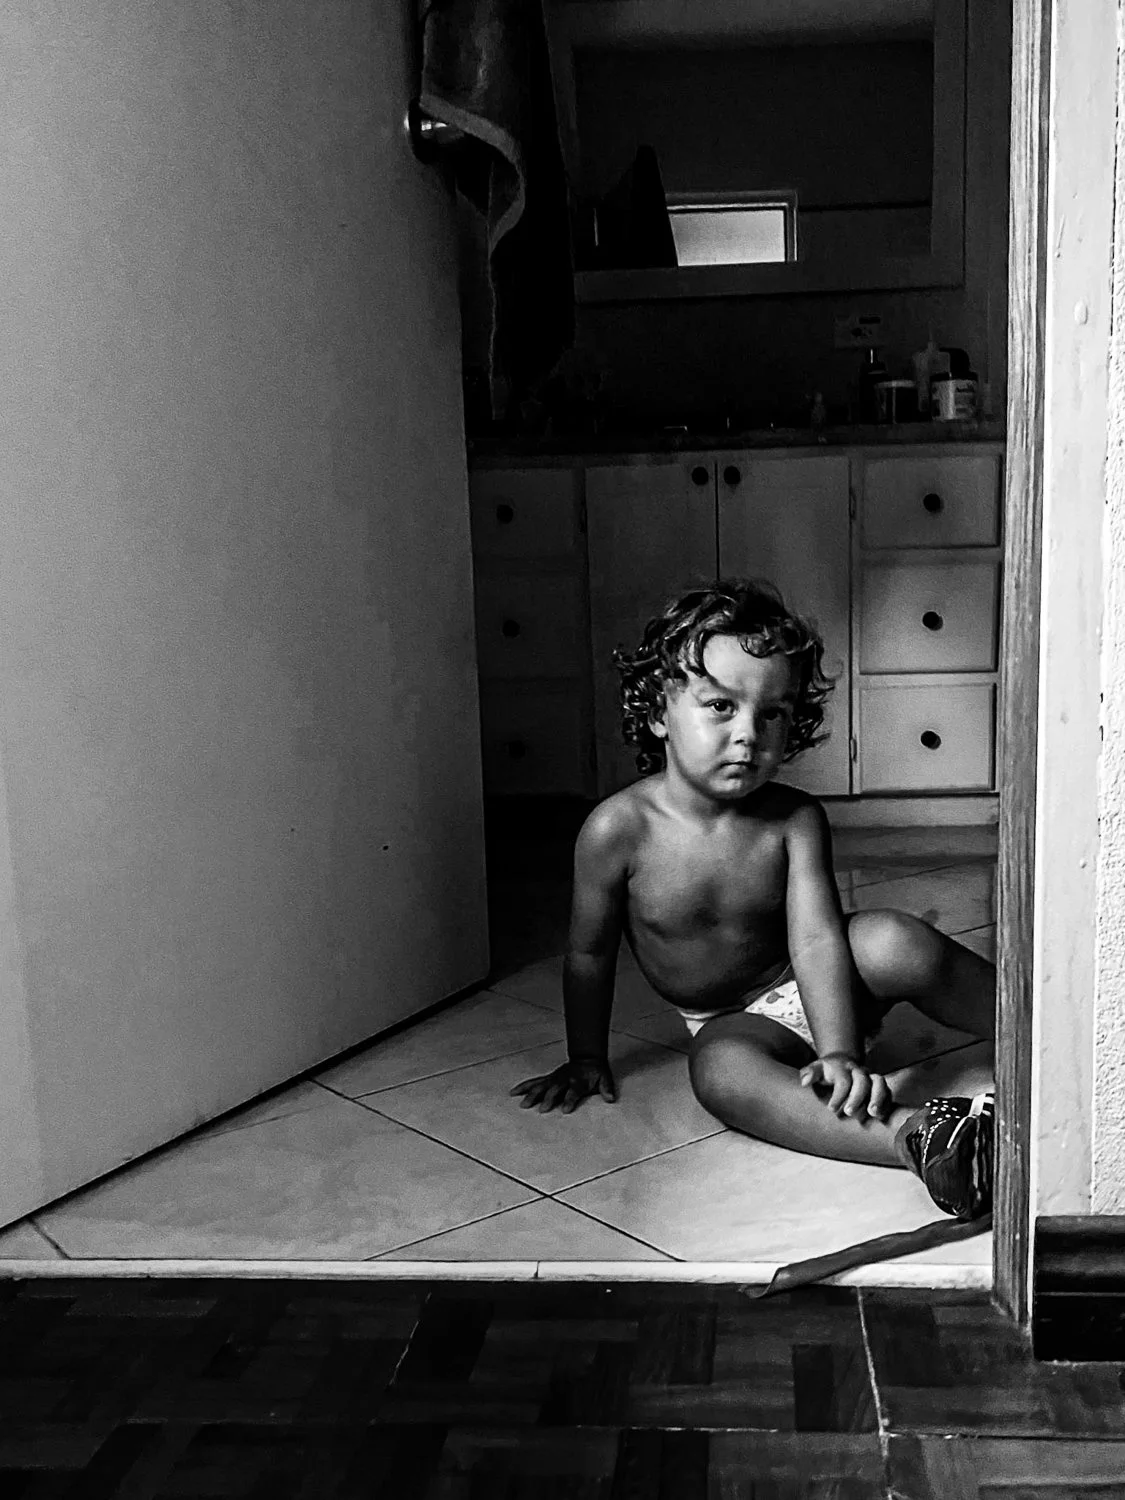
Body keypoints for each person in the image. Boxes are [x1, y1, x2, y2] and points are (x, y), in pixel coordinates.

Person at [511, 579, 995, 1219]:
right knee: (717, 1070)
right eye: (721, 706)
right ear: (657, 713)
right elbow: (589, 953)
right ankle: (922, 1139)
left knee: (895, 940)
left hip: (820, 983)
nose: (749, 734)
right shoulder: (616, 831)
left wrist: (840, 1051)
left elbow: (816, 939)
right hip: (732, 1021)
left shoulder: (794, 818)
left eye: (772, 714)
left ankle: (1041, 1030)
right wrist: (585, 1056)